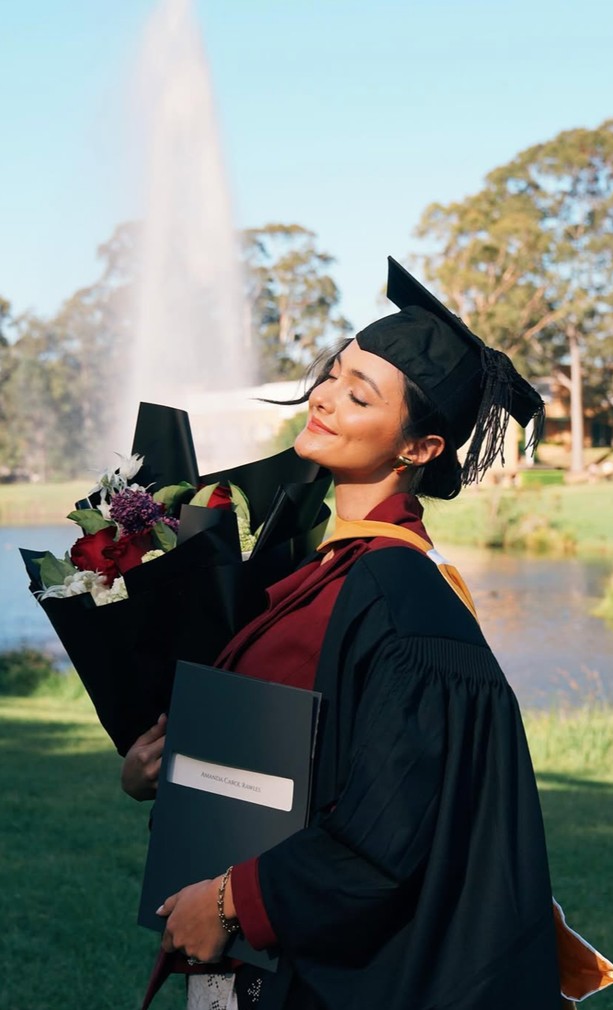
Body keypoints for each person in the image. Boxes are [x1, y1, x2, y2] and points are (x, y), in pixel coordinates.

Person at [122, 258, 571, 1010]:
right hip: (250, 951)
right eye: (334, 373)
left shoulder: (404, 600)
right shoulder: (312, 566)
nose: (325, 397)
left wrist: (234, 902)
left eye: (359, 394)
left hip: (317, 973)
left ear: (420, 449)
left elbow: (390, 828)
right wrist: (157, 774)